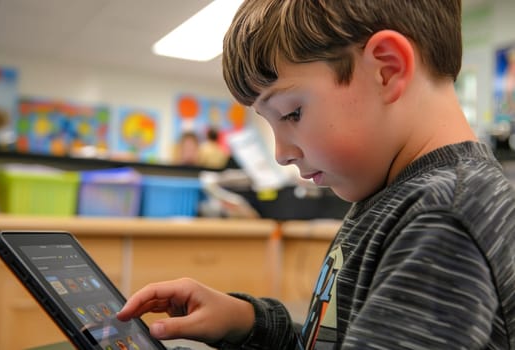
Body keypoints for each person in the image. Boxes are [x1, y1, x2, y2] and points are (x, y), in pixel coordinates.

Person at [118, 0, 515, 348]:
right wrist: (245, 322)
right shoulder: (397, 195)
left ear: (387, 70)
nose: (281, 154)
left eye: (292, 113)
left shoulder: (443, 218)